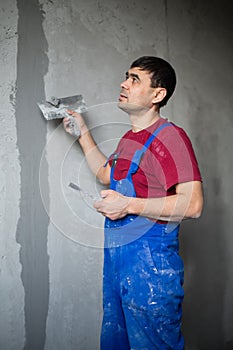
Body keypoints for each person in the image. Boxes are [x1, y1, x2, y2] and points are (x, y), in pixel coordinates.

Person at [63, 56, 204, 350]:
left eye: (135, 79)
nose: (124, 83)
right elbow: (106, 174)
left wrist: (128, 205)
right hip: (117, 266)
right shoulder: (128, 140)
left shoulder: (171, 137)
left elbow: (193, 205)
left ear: (158, 94)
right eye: (126, 76)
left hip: (151, 273)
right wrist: (82, 131)